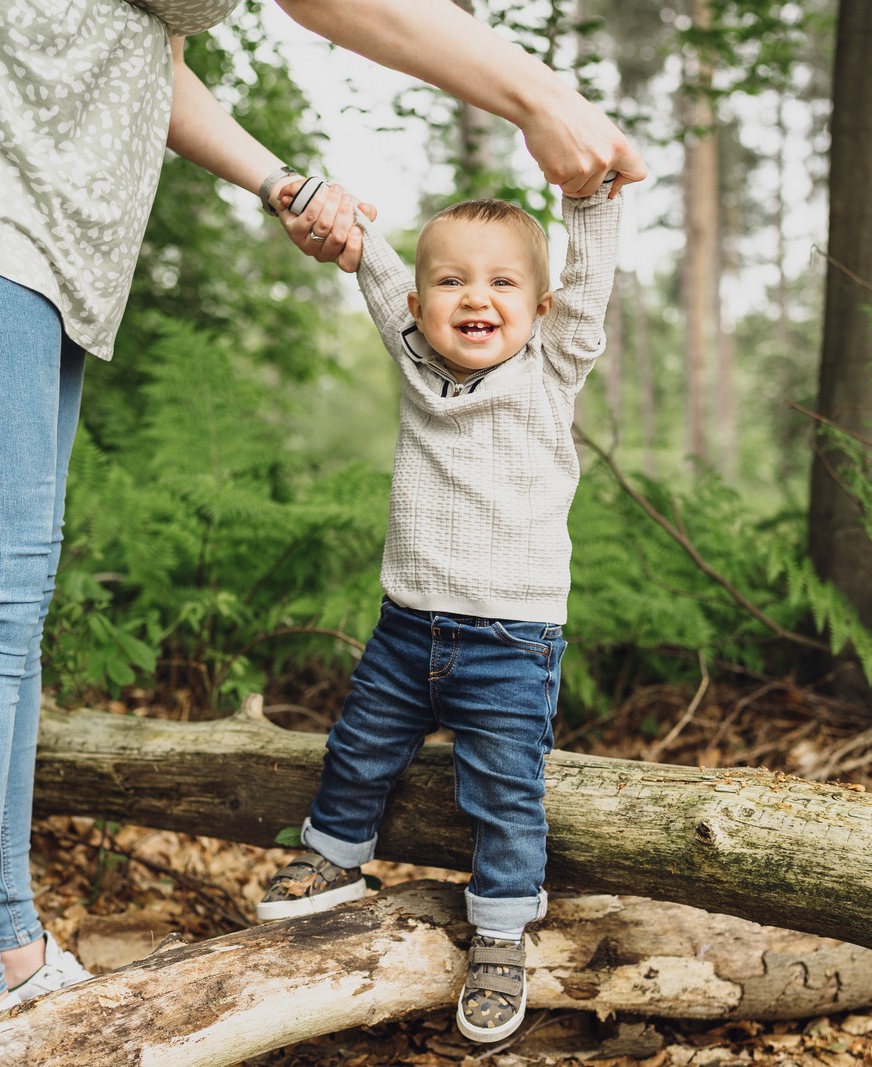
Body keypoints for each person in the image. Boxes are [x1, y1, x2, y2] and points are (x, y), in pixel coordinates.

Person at [0, 0, 646, 1052]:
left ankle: (7, 952)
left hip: (6, 203)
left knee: (8, 590)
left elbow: (127, 48)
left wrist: (278, 180)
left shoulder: (540, 365)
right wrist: (536, 93)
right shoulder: (421, 342)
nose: (471, 298)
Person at [253, 175, 624, 1043]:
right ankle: (335, 857)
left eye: (501, 282)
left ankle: (499, 934)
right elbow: (377, 275)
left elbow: (592, 282)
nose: (476, 297)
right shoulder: (418, 361)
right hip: (406, 628)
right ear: (421, 307)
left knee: (503, 792)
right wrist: (332, 215)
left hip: (510, 642)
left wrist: (590, 201)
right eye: (453, 281)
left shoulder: (549, 370)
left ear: (539, 305)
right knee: (359, 743)